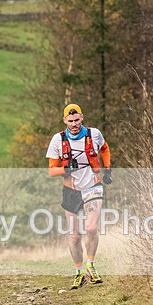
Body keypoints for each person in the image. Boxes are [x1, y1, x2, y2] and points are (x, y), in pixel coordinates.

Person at [46, 103, 113, 289]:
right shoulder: (57, 140)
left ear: (82, 117)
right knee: (74, 235)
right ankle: (78, 271)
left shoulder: (94, 134)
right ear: (64, 120)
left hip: (93, 186)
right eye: (70, 121)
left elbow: (105, 148)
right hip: (71, 189)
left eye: (77, 120)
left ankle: (91, 265)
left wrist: (107, 169)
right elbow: (51, 171)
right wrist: (67, 169)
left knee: (91, 227)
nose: (74, 124)